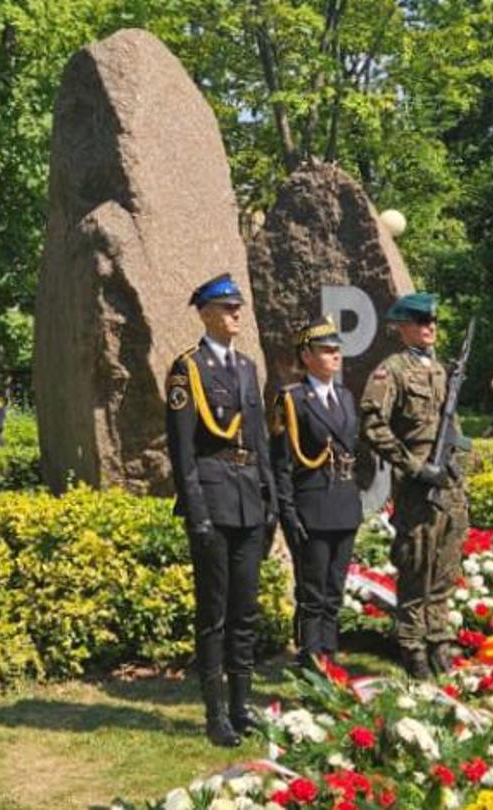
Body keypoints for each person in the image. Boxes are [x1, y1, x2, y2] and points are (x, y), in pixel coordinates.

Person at [164, 273, 276, 748]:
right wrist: (198, 512)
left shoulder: (248, 367)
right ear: (206, 313)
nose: (236, 316)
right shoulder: (186, 369)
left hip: (250, 498)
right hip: (212, 496)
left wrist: (269, 499)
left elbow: (260, 440)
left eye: (238, 308)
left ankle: (241, 706)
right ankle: (214, 713)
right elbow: (182, 451)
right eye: (228, 309)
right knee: (214, 611)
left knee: (245, 610)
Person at [360, 292, 471, 678]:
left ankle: (438, 638)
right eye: (421, 322)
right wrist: (413, 467)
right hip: (418, 487)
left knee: (445, 564)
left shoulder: (441, 371)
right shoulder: (390, 371)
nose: (430, 329)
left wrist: (456, 469)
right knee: (416, 563)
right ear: (402, 327)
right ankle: (411, 647)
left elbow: (450, 427)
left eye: (433, 322)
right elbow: (373, 425)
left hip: (449, 485)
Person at [270, 319, 361, 671]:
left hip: (344, 505)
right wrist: (287, 511)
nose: (335, 355)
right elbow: (281, 462)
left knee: (334, 592)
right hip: (312, 506)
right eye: (326, 350)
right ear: (306, 355)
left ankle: (330, 661)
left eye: (337, 350)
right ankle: (311, 665)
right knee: (312, 594)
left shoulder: (346, 397)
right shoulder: (292, 399)